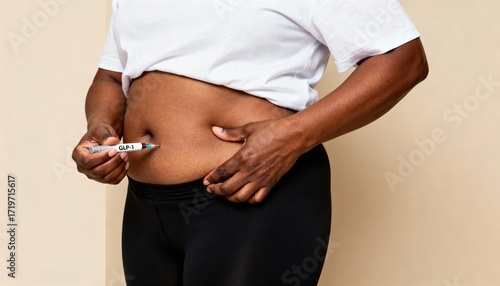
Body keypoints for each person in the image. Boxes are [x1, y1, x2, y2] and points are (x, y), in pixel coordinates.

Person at [72, 0, 428, 285]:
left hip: (251, 193)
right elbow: (110, 76)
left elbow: (403, 59)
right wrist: (100, 127)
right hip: (145, 206)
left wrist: (293, 135)